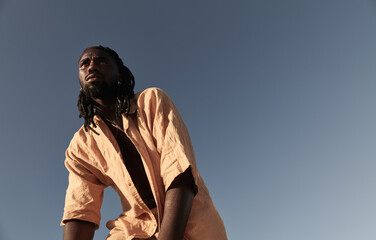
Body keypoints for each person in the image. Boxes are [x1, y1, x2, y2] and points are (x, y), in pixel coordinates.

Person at [61, 46, 227, 240]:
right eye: (84, 64)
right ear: (81, 83)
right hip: (134, 229)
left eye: (102, 61)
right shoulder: (81, 145)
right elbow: (80, 212)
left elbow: (180, 174)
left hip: (188, 220)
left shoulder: (151, 101)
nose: (91, 67)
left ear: (120, 76)